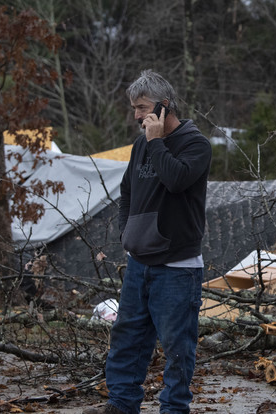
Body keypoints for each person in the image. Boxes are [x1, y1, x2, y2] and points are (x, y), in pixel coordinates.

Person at [84, 69, 212, 414]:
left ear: (163, 105)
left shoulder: (195, 144)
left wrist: (156, 141)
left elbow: (175, 180)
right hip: (140, 262)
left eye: (142, 107)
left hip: (177, 266)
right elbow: (127, 192)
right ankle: (121, 404)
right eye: (134, 108)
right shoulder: (140, 145)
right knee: (127, 338)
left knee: (177, 347)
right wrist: (127, 233)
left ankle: (173, 408)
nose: (138, 116)